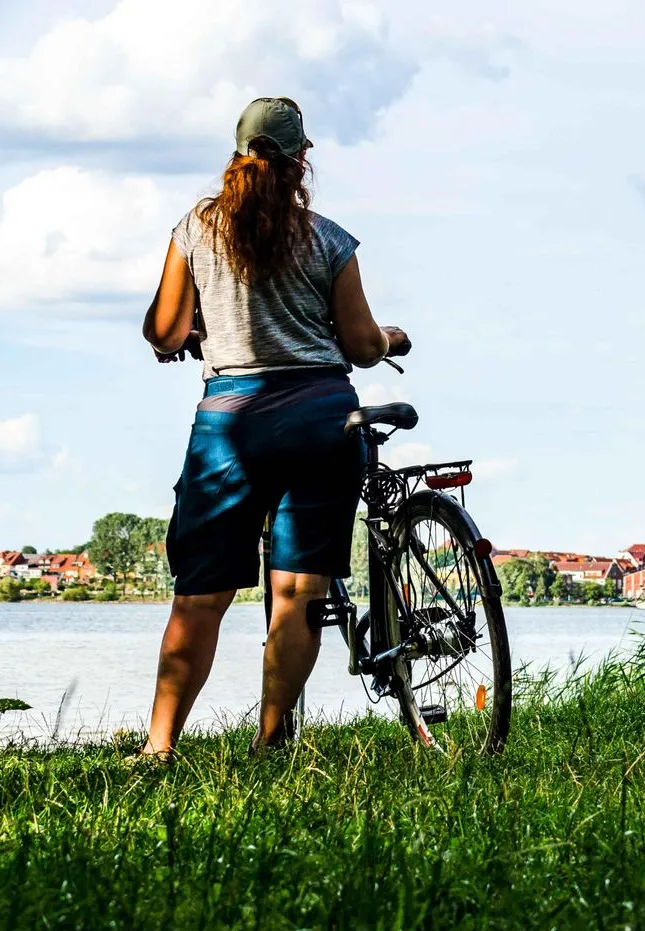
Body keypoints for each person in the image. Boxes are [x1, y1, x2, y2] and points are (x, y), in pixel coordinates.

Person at [136, 97, 409, 760]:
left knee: (200, 596)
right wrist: (389, 338)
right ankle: (270, 742)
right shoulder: (329, 239)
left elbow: (164, 332)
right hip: (321, 418)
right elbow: (361, 344)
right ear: (301, 159)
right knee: (297, 593)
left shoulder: (196, 229)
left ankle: (159, 747)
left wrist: (198, 331)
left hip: (231, 425)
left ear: (238, 154)